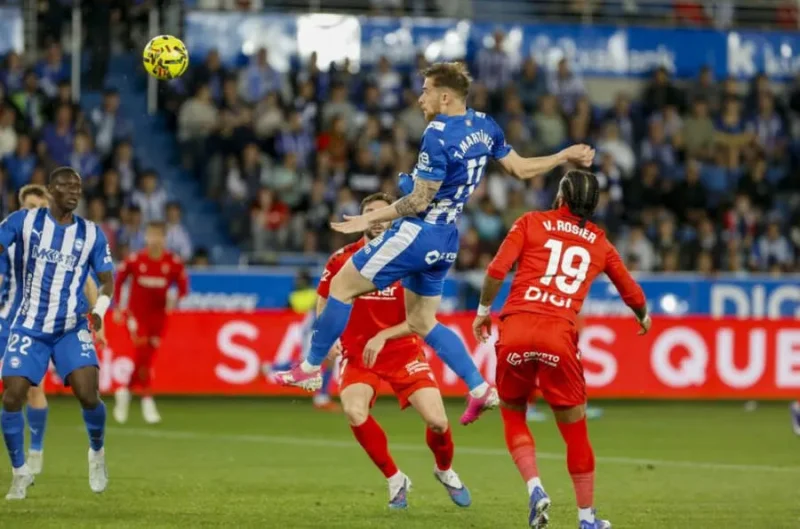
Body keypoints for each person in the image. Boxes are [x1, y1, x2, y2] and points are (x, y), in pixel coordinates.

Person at [275, 61, 594, 425]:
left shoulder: (438, 134)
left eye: (425, 90)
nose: (420, 98)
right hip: (447, 241)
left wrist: (368, 219)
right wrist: (563, 156)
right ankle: (478, 388)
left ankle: (312, 367)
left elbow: (419, 201)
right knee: (423, 321)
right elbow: (519, 169)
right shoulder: (485, 125)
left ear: (445, 96)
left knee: (342, 285)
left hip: (418, 232)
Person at [472, 170, 650, 529]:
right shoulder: (599, 242)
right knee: (575, 432)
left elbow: (496, 269)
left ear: (561, 197)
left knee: (513, 414)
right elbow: (629, 289)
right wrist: (643, 314)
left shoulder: (530, 222)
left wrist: (483, 311)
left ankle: (535, 487)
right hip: (559, 335)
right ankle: (586, 519)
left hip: (517, 328)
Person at [318, 192, 470, 509]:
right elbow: (325, 298)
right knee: (354, 411)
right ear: (363, 219)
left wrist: (384, 335)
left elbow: (422, 320)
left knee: (439, 422)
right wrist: (327, 333)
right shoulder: (341, 259)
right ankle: (394, 478)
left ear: (393, 218)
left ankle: (444, 470)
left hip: (402, 348)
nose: (378, 219)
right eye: (371, 213)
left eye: (384, 214)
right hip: (359, 353)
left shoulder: (411, 258)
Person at [0, 167, 114, 500]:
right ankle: (20, 472)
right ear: (51, 190)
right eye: (66, 186)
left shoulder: (92, 234)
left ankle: (96, 452)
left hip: (70, 326)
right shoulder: (26, 221)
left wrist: (98, 312)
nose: (74, 192)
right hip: (30, 325)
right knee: (12, 395)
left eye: (78, 187)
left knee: (88, 393)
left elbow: (106, 280)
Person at [112, 221, 189, 425]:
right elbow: (119, 280)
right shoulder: (136, 260)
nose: (154, 240)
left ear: (165, 238)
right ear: (146, 238)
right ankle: (147, 399)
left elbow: (183, 287)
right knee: (142, 353)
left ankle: (124, 391)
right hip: (136, 316)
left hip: (159, 317)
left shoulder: (173, 262)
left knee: (146, 358)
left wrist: (175, 297)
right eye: (151, 236)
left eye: (158, 236)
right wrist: (119, 307)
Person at [263, 270, 340, 411]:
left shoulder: (333, 292)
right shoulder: (328, 293)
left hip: (319, 331)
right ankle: (273, 368)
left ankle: (322, 398)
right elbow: (319, 313)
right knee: (308, 363)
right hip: (314, 331)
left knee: (327, 361)